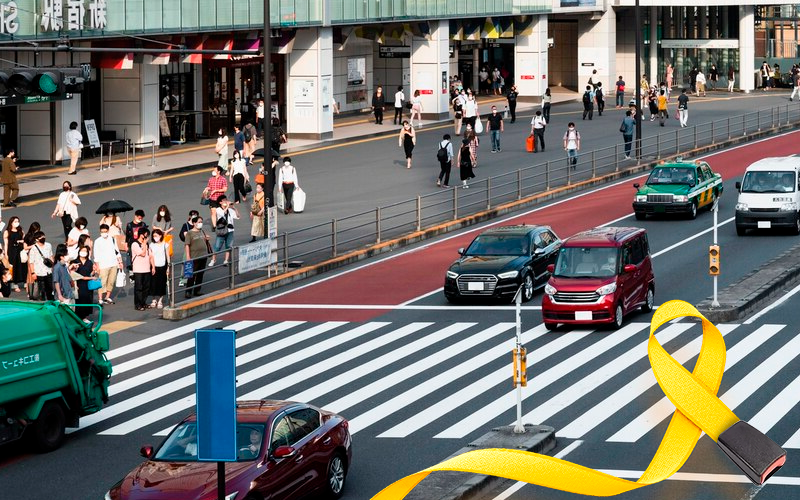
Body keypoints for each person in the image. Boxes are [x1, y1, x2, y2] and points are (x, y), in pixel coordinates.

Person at [94, 224, 124, 305]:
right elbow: (96, 254)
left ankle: (107, 297)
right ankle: (100, 298)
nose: (104, 233)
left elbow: (117, 251)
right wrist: (97, 266)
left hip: (113, 263)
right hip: (103, 265)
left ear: (108, 231)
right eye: (102, 231)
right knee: (102, 282)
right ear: (100, 231)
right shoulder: (97, 241)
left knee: (111, 281)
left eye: (105, 231)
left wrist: (120, 262)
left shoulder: (112, 239)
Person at [184, 216, 210, 298]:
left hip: (203, 256)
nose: (200, 223)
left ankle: (197, 290)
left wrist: (206, 239)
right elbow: (187, 245)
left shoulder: (202, 231)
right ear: (194, 223)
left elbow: (203, 241)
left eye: (201, 222)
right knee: (192, 275)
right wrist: (188, 256)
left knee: (200, 274)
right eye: (199, 222)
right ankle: (188, 291)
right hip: (194, 257)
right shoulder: (190, 233)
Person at [130, 228, 154, 311]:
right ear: (141, 235)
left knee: (146, 287)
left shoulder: (146, 244)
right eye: (146, 235)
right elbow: (143, 254)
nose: (147, 237)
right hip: (138, 269)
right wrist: (144, 244)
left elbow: (151, 256)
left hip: (147, 269)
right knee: (139, 287)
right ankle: (138, 304)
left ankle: (143, 302)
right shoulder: (135, 244)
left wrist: (153, 267)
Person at [212, 196, 239, 267]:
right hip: (222, 230)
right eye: (224, 200)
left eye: (226, 200)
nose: (226, 201)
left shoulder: (230, 210)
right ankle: (213, 259)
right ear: (220, 202)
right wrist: (227, 206)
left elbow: (238, 216)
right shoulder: (218, 209)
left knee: (229, 246)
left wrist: (234, 208)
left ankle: (226, 260)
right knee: (217, 246)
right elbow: (222, 214)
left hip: (230, 230)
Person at [28, 231, 54, 301]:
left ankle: (51, 303)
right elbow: (31, 262)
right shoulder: (33, 248)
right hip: (39, 273)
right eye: (41, 237)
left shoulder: (48, 245)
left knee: (50, 290)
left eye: (43, 236)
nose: (43, 238)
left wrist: (53, 266)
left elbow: (51, 256)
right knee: (41, 291)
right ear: (36, 239)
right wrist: (33, 273)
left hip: (48, 271)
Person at [72, 244, 95, 320]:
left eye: (85, 251)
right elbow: (72, 274)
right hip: (79, 284)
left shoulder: (89, 262)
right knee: (79, 299)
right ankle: (79, 316)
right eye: (82, 251)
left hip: (88, 284)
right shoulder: (75, 262)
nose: (83, 252)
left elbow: (91, 272)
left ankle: (84, 316)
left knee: (87, 299)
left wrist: (94, 271)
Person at [149, 228, 169, 309]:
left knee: (162, 284)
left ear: (160, 236)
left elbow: (168, 256)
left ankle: (160, 300)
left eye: (156, 236)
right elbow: (150, 256)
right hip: (153, 266)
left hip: (162, 266)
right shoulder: (151, 245)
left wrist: (168, 267)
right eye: (153, 236)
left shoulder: (165, 244)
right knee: (153, 283)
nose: (155, 237)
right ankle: (154, 299)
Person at [4, 216, 24, 293]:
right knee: (11, 267)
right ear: (11, 222)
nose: (17, 223)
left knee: (18, 267)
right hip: (11, 251)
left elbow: (24, 239)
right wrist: (6, 254)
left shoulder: (20, 230)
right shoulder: (7, 232)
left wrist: (20, 241)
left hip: (18, 250)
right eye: (15, 221)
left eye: (18, 221)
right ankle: (12, 284)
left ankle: (16, 283)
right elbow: (6, 244)